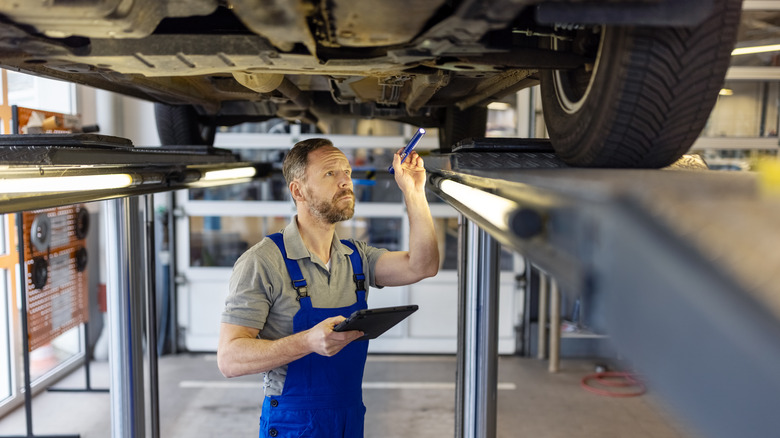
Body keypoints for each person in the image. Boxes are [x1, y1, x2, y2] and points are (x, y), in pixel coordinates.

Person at [217, 137, 439, 438]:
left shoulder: (356, 257)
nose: (346, 180)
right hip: (294, 423)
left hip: (349, 417)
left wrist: (414, 192)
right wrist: (307, 341)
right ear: (298, 190)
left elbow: (422, 265)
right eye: (330, 173)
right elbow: (229, 359)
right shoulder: (262, 262)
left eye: (346, 171)